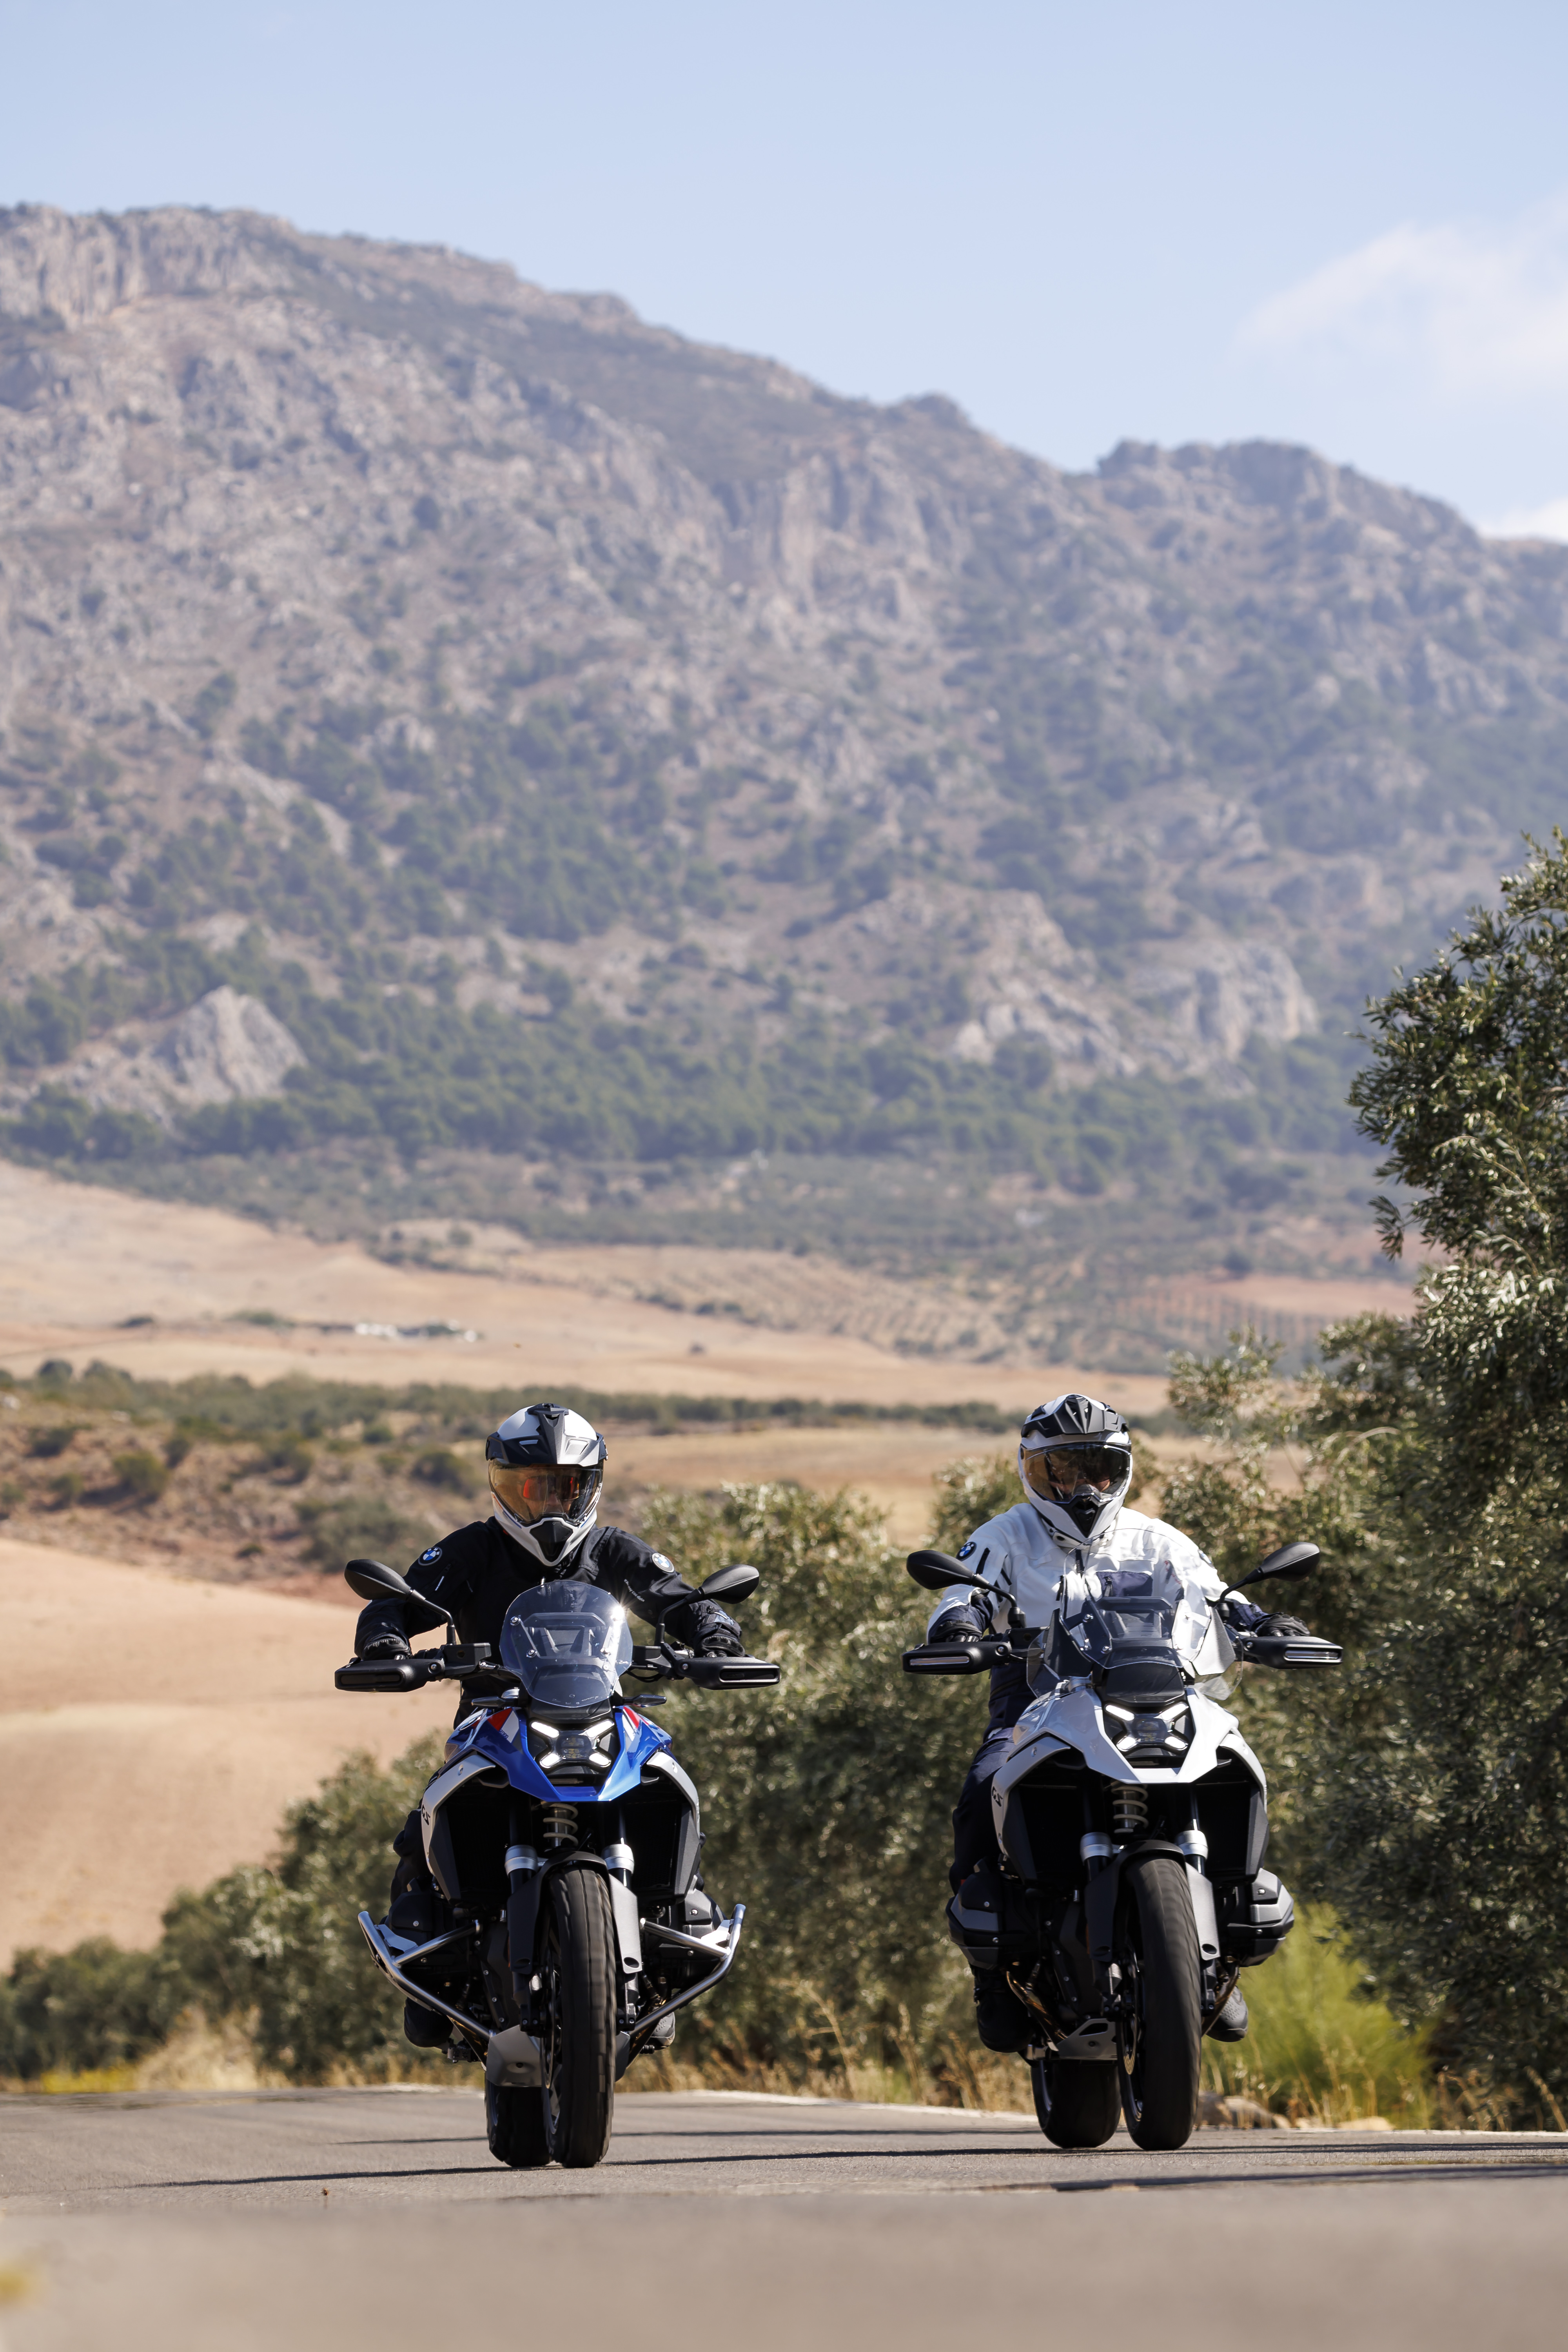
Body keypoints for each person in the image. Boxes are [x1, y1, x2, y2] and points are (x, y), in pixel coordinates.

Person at [928, 1392, 1311, 2056]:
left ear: (1121, 1470)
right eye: (1062, 1470)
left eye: (1098, 1469)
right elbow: (962, 1593)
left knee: (1231, 1763)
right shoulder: (1004, 1535)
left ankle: (1214, 1947)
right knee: (982, 1790)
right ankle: (992, 1976)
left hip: (1156, 1691)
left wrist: (1266, 1623)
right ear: (1032, 1469)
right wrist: (959, 1624)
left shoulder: (1158, 1539)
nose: (1083, 1487)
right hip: (1036, 1697)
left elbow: (1216, 1595)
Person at [352, 1399, 744, 2047]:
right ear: (502, 1486)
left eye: (564, 1487)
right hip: (493, 1722)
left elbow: (682, 1601)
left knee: (667, 1791)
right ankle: (426, 1962)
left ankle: (675, 1928)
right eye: (530, 1488)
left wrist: (716, 1635)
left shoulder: (615, 1551)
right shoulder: (473, 1550)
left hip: (602, 1714)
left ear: (589, 1487)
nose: (548, 1504)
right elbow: (398, 1603)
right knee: (422, 1831)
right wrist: (386, 1641)